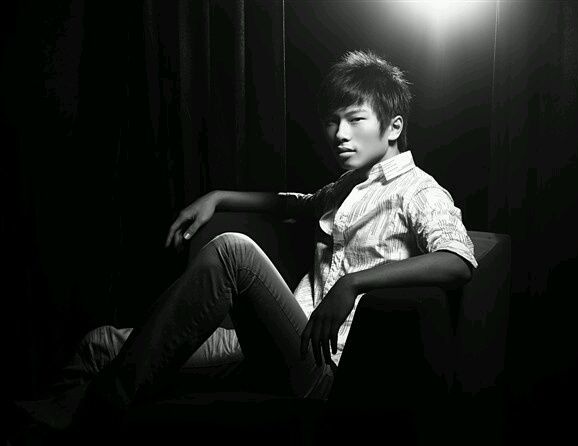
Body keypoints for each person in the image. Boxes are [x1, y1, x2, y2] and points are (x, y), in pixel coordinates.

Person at [14, 49, 478, 437]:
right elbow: (295, 204)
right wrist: (218, 196)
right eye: (332, 121)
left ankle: (104, 408)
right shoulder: (347, 187)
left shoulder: (419, 191)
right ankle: (42, 427)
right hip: (276, 344)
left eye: (355, 119)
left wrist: (354, 283)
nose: (339, 134)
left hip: (323, 370)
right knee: (99, 344)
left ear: (393, 127)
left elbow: (458, 259)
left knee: (233, 250)